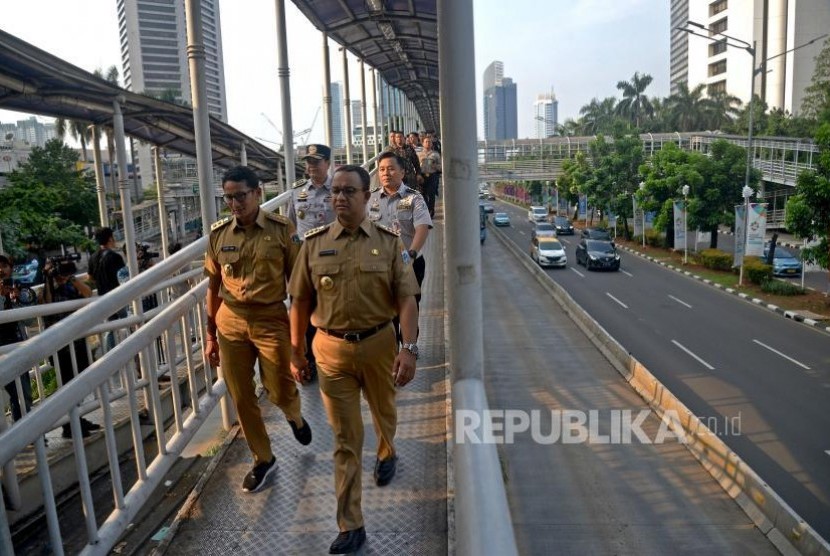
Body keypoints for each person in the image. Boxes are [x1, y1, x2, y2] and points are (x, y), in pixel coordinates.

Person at [288, 164, 419, 555]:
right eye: (336, 192)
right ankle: (351, 524)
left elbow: (406, 299)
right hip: (330, 352)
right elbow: (300, 302)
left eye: (349, 192)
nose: (340, 198)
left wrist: (408, 348)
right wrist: (296, 352)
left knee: (384, 412)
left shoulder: (389, 241)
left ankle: (387, 450)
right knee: (345, 440)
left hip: (379, 344)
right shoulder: (312, 245)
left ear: (367, 197)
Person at [204, 165, 312, 494]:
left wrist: (300, 341)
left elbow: (300, 287)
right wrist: (210, 335)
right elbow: (212, 286)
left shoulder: (282, 230)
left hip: (270, 319)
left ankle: (293, 414)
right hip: (231, 321)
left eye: (241, 196)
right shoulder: (219, 235)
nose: (235, 204)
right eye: (229, 198)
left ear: (258, 193)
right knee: (241, 395)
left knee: (278, 388)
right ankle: (263, 458)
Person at [287, 144, 337, 382]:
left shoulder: (338, 189)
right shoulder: (297, 192)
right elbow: (291, 227)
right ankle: (309, 363)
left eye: (316, 161)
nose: (311, 166)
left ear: (328, 163)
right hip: (305, 264)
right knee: (304, 314)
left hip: (334, 262)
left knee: (330, 312)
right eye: (308, 162)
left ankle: (332, 358)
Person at [369, 151, 433, 327]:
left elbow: (422, 228)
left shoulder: (414, 198)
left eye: (390, 169)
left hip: (410, 264)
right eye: (381, 169)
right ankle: (391, 352)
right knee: (384, 314)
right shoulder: (370, 199)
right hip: (380, 266)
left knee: (408, 312)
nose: (385, 173)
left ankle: (409, 349)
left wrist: (411, 255)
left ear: (402, 172)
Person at [41, 258, 101, 438]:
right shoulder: (48, 289)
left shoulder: (71, 285)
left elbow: (88, 293)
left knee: (79, 384)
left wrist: (71, 277)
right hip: (60, 346)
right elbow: (46, 302)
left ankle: (78, 419)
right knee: (67, 386)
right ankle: (70, 426)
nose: (61, 275)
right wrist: (48, 278)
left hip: (78, 342)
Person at [0, 254, 33, 423]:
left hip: (19, 346)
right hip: (3, 351)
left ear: (11, 269)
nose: (1, 270)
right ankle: (29, 433)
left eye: (4, 266)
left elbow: (30, 320)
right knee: (17, 392)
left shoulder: (17, 291)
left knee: (23, 392)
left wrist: (17, 299)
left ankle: (26, 432)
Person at [88, 227, 127, 351]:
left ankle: (110, 354)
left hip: (103, 298)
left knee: (110, 328)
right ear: (110, 238)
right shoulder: (115, 257)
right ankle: (133, 350)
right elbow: (123, 277)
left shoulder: (93, 257)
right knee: (130, 322)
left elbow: (90, 277)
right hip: (118, 297)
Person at [418, 135, 442, 218]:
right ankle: (426, 210)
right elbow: (415, 166)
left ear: (432, 144)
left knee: (431, 194)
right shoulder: (419, 154)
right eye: (426, 142)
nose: (428, 143)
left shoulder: (436, 154)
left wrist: (434, 165)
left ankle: (431, 212)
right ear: (423, 143)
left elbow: (441, 167)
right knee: (423, 194)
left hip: (432, 175)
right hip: (422, 176)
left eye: (429, 142)